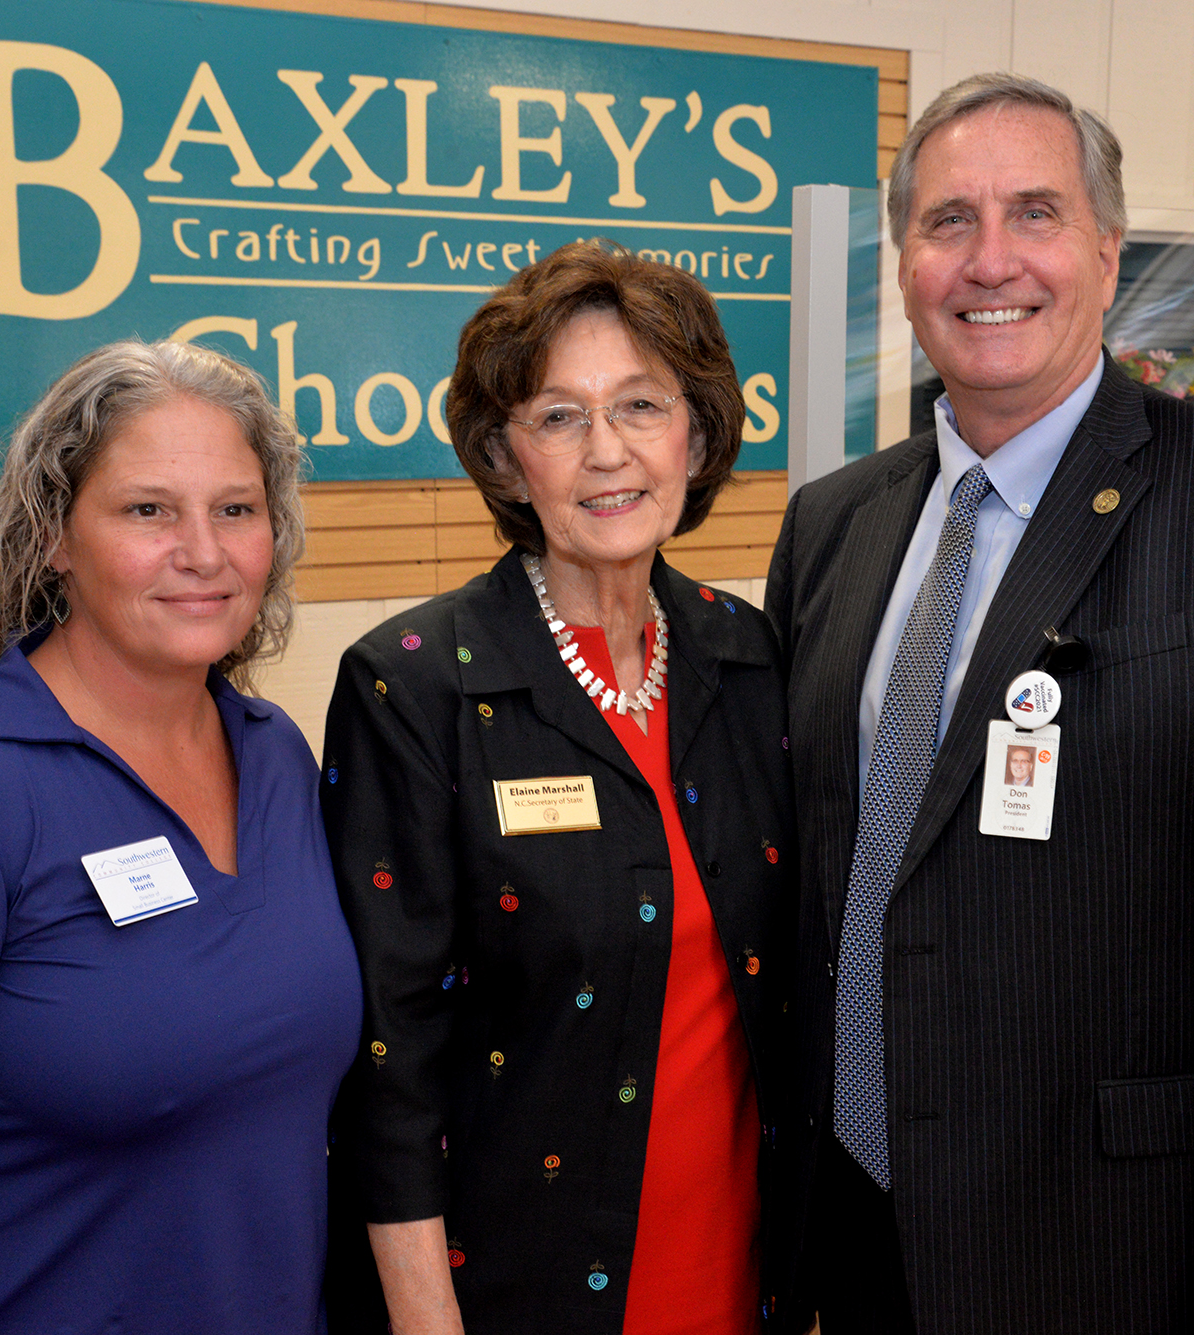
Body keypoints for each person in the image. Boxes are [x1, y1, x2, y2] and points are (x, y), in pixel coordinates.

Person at [765, 73, 1194, 1333]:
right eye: (947, 220)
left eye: (1034, 213)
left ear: (1107, 252)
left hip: (1117, 1259)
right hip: (848, 1238)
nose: (988, 259)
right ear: (902, 261)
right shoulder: (831, 524)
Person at [0, 340, 363, 1335]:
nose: (204, 552)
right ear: (54, 534)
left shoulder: (273, 756)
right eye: (147, 510)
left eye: (235, 509)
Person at [320, 242, 796, 1335]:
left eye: (640, 404)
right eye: (558, 416)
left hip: (739, 1267)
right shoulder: (416, 684)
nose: (608, 452)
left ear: (699, 430)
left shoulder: (749, 655)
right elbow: (386, 1058)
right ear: (503, 456)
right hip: (514, 1283)